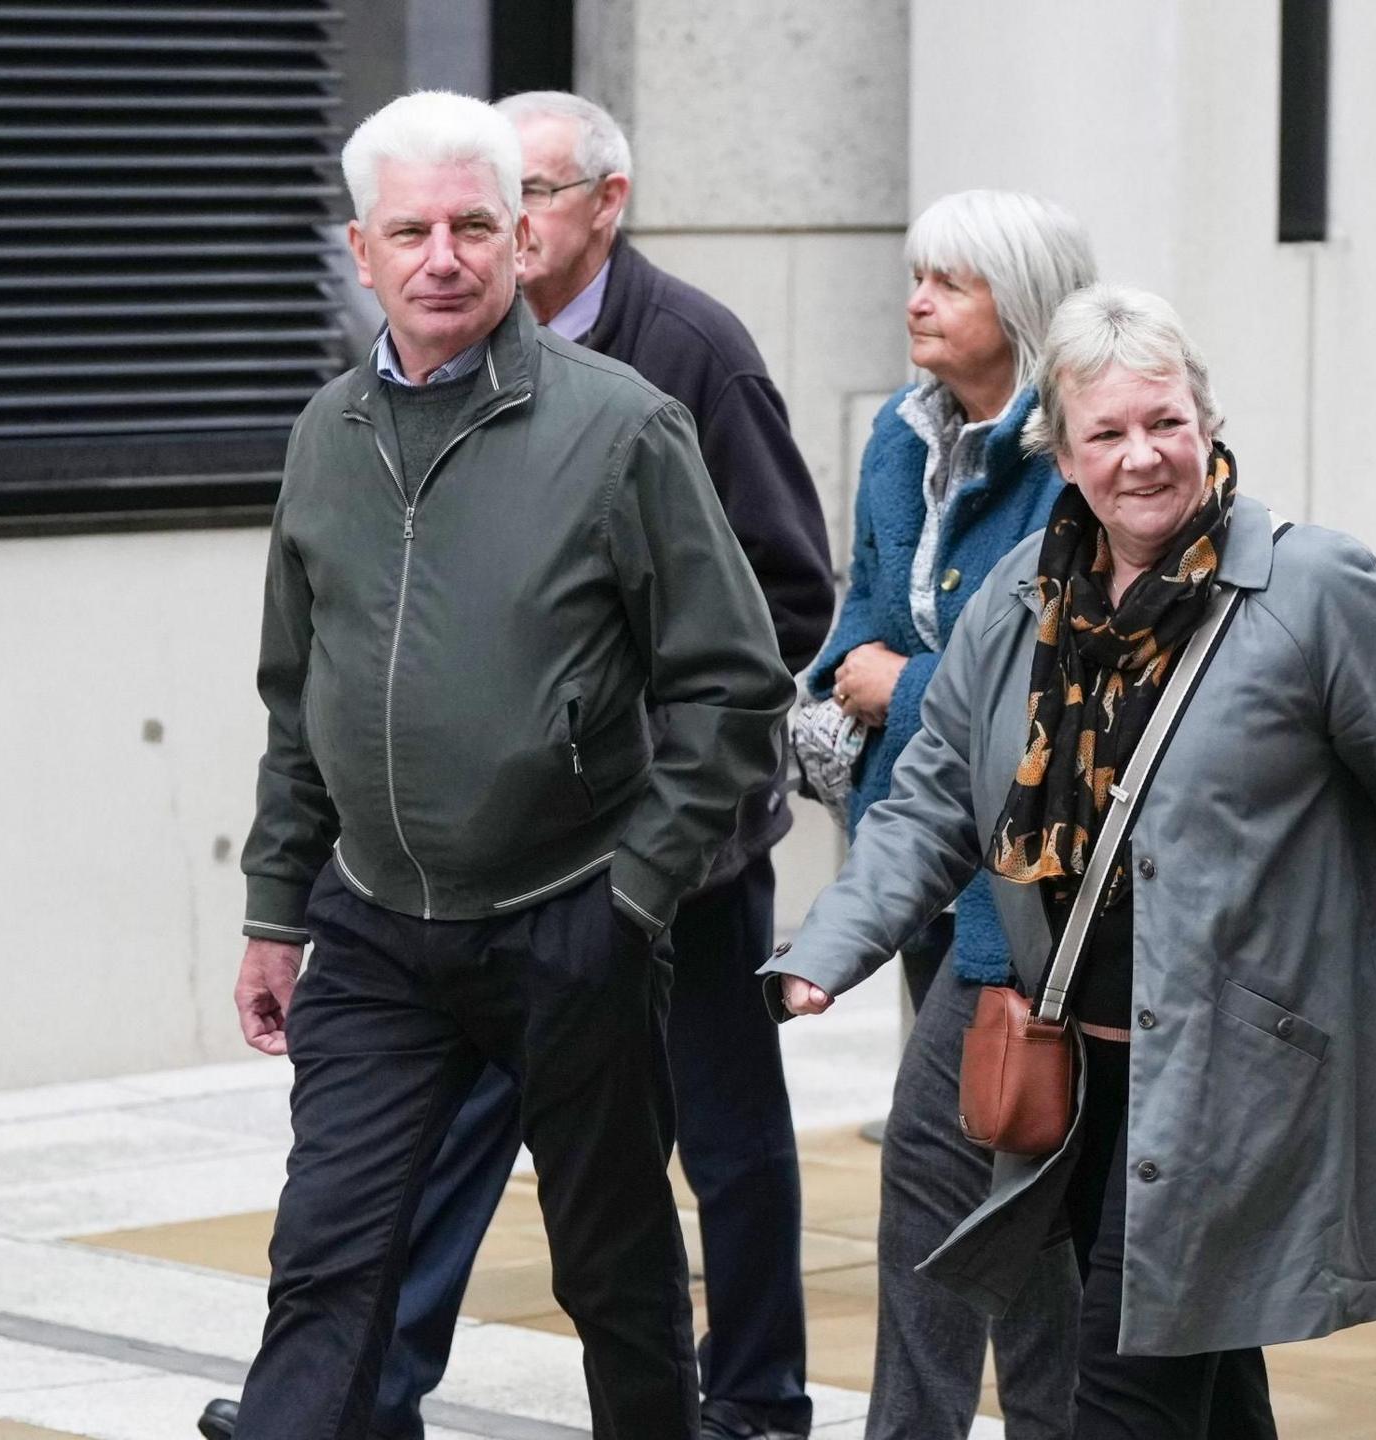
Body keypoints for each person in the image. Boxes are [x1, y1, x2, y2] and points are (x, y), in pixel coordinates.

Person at [199, 91, 834, 1440]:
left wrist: (640, 893)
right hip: (375, 933)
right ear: (360, 251)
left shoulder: (626, 427)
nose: (445, 254)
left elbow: (732, 678)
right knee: (327, 1261)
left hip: (573, 917)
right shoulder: (325, 439)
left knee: (613, 1270)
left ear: (520, 239)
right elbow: (297, 694)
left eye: (475, 224)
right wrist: (274, 908)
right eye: (412, 229)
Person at [769, 285, 1376, 1439]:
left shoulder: (1314, 591)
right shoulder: (1020, 601)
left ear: (1208, 422)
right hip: (1079, 1087)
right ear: (1063, 451)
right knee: (1206, 1380)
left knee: (1123, 1394)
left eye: (1166, 422)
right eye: (1108, 433)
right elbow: (935, 801)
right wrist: (833, 948)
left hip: (1232, 1090)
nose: (1143, 457)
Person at [797, 188, 1095, 1440]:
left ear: (1019, 307)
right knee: (987, 1171)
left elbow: (1056, 669)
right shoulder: (898, 436)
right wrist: (843, 683)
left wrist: (899, 687)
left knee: (974, 1172)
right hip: (916, 845)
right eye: (917, 274)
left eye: (952, 283)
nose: (917, 299)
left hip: (1023, 886)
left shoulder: (1071, 452)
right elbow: (863, 604)